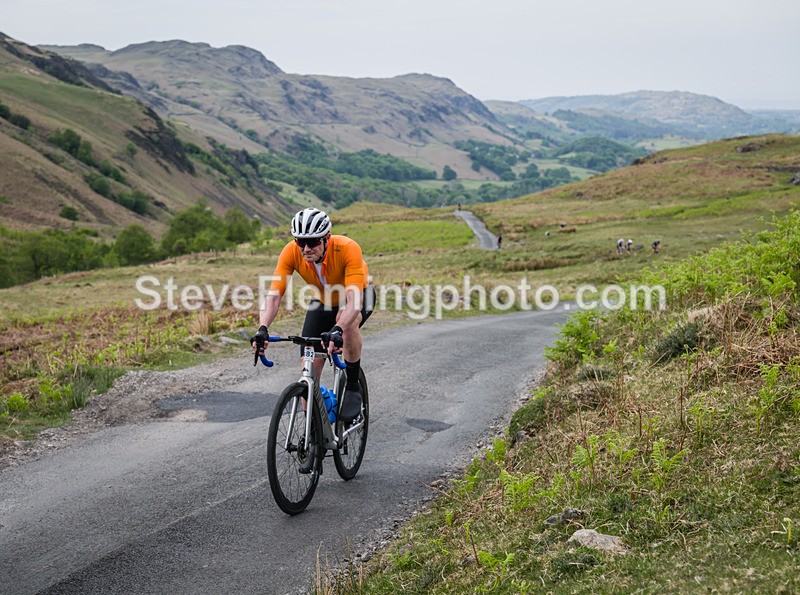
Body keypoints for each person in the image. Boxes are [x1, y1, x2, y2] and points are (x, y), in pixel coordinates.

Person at [252, 208, 374, 422]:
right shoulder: (291, 252)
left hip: (357, 295)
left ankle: (353, 385)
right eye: (301, 242)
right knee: (308, 362)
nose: (306, 248)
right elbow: (273, 296)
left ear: (327, 238)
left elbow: (354, 301)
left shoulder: (347, 248)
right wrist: (262, 328)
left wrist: (338, 329)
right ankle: (313, 429)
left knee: (347, 326)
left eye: (313, 242)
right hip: (324, 300)